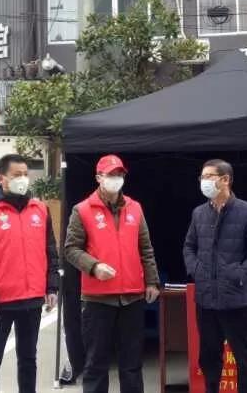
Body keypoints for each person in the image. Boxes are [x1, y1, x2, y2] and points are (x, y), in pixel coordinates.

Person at [64, 154, 160, 393]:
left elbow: (145, 248)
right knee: (96, 362)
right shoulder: (82, 209)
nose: (116, 178)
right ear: (99, 177)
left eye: (119, 174)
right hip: (98, 299)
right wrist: (94, 266)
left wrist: (152, 281)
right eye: (111, 174)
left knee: (132, 363)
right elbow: (71, 249)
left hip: (132, 296)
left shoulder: (134, 208)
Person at [0, 153, 59, 393]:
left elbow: (50, 251)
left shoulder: (40, 209)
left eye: (26, 174)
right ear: (2, 178)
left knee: (28, 360)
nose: (23, 179)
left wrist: (52, 286)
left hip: (32, 300)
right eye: (17, 175)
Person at [183, 159, 247, 393]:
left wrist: (241, 274)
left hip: (236, 300)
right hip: (206, 300)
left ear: (225, 180)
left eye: (208, 177)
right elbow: (189, 247)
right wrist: (196, 270)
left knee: (245, 359)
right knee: (209, 358)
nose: (203, 182)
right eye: (201, 177)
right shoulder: (199, 213)